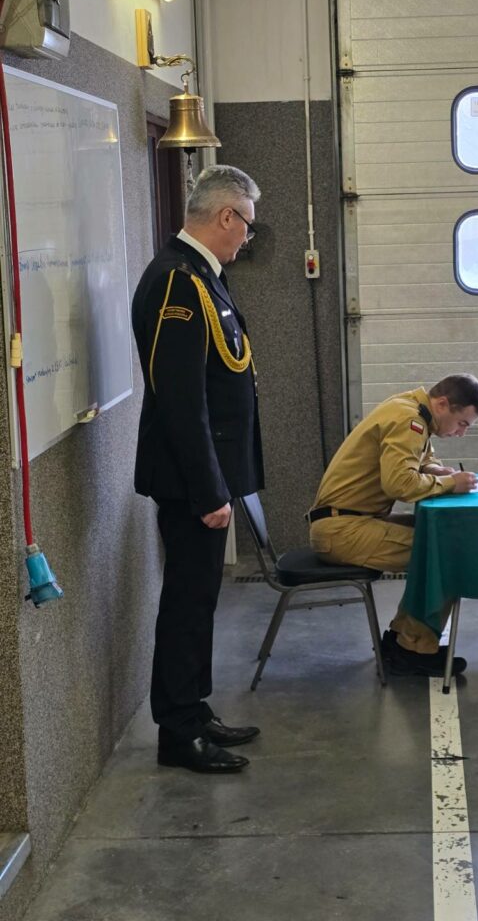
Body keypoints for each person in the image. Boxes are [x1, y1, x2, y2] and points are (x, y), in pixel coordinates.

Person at [132, 165, 265, 774]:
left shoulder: (201, 276)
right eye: (247, 226)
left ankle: (193, 707)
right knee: (187, 603)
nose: (247, 238)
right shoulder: (177, 283)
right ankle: (178, 731)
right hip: (191, 482)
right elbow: (181, 401)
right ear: (226, 216)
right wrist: (211, 490)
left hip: (205, 475)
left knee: (200, 599)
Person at [307, 375, 478, 677]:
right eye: (462, 423)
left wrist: (436, 470)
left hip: (350, 521)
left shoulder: (412, 409)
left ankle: (403, 641)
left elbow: (417, 460)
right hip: (342, 531)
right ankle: (413, 650)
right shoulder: (409, 420)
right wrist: (449, 483)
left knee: (440, 537)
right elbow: (399, 484)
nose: (461, 433)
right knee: (447, 554)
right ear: (443, 404)